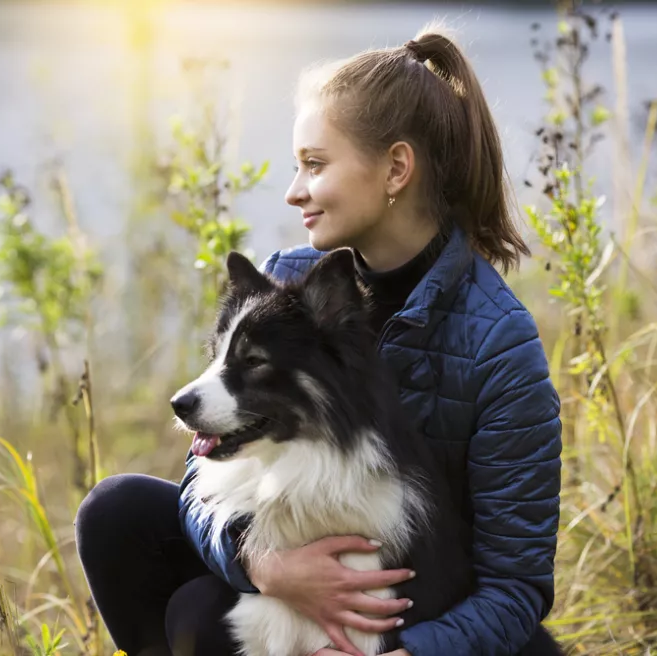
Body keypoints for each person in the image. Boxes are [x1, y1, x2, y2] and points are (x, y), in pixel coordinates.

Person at [75, 25, 562, 656]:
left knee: (199, 609)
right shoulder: (282, 280)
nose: (293, 191)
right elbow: (203, 477)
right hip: (287, 571)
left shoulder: (498, 345)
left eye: (315, 165)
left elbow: (516, 589)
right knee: (120, 516)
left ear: (395, 168)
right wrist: (262, 565)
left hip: (428, 612)